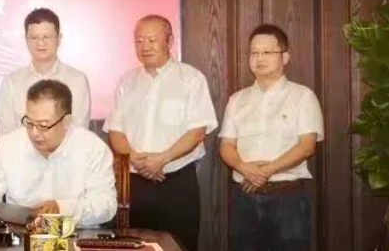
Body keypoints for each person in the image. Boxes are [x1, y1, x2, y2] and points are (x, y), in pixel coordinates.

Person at [105, 15, 218, 251]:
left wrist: (161, 159)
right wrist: (136, 159)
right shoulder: (127, 82)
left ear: (170, 41)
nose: (145, 46)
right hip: (135, 185)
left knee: (179, 246)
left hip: (176, 183)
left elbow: (198, 131)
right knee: (134, 247)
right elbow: (115, 131)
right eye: (139, 40)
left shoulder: (191, 78)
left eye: (152, 40)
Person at [219, 24, 324, 251]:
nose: (259, 58)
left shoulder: (303, 96)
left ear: (284, 57)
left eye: (267, 52)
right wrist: (244, 168)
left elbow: (307, 146)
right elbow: (226, 145)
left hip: (288, 199)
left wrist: (267, 170)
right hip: (244, 197)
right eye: (254, 52)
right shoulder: (237, 100)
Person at [0, 80, 116, 227]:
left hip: (77, 233)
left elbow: (106, 205)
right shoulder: (8, 145)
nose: (34, 133)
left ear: (66, 121)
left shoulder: (92, 148)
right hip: (21, 233)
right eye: (29, 123)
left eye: (43, 125)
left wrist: (62, 208)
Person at [0, 8, 92, 137]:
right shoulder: (11, 82)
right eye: (34, 37)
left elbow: (79, 132)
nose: (40, 42)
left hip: (68, 150)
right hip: (20, 150)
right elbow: (5, 135)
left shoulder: (77, 80)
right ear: (26, 39)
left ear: (59, 38)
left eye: (46, 37)